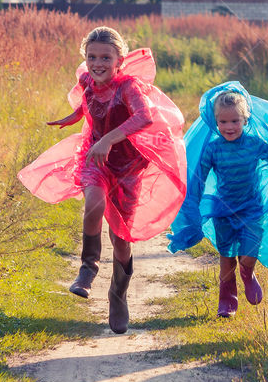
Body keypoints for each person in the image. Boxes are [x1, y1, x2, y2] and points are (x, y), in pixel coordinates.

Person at [18, 26, 186, 334]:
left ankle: (118, 294)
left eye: (105, 57)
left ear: (119, 60)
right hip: (95, 160)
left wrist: (109, 138)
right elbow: (89, 102)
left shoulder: (130, 87)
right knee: (93, 203)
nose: (98, 63)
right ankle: (88, 267)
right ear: (86, 58)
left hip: (128, 167)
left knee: (121, 239)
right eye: (92, 56)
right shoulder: (86, 81)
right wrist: (75, 117)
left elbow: (144, 118)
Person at [167, 81, 268, 317]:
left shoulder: (254, 144)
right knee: (227, 256)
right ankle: (227, 298)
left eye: (234, 121)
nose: (229, 126)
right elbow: (198, 178)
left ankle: (248, 272)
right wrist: (192, 204)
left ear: (245, 119)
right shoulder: (213, 149)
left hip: (252, 209)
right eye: (223, 122)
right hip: (223, 210)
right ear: (215, 122)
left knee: (249, 252)